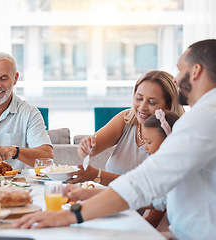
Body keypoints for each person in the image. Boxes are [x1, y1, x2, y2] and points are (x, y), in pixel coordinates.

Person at [14, 39, 216, 240]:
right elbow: (162, 196)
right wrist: (90, 195)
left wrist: (69, 215)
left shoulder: (204, 118)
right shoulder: (205, 115)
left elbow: (147, 183)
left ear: (196, 71)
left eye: (180, 70)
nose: (176, 79)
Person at [67, 109, 180, 229]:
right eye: (145, 141)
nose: (145, 147)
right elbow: (132, 190)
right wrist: (85, 194)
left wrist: (87, 193)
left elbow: (140, 201)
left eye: (149, 142)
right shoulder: (160, 166)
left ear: (168, 142)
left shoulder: (170, 173)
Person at [69, 70, 185, 185]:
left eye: (152, 102)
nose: (142, 107)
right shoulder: (126, 119)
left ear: (168, 104)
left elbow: (146, 185)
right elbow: (89, 150)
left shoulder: (172, 135)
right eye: (139, 98)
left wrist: (97, 175)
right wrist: (85, 148)